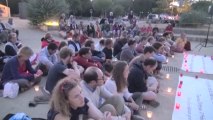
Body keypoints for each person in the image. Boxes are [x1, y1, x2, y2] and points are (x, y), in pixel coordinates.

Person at [47, 77, 113, 120]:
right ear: (66, 100)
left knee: (109, 108)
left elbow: (99, 116)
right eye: (76, 96)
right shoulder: (61, 115)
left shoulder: (82, 100)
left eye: (81, 92)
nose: (82, 97)